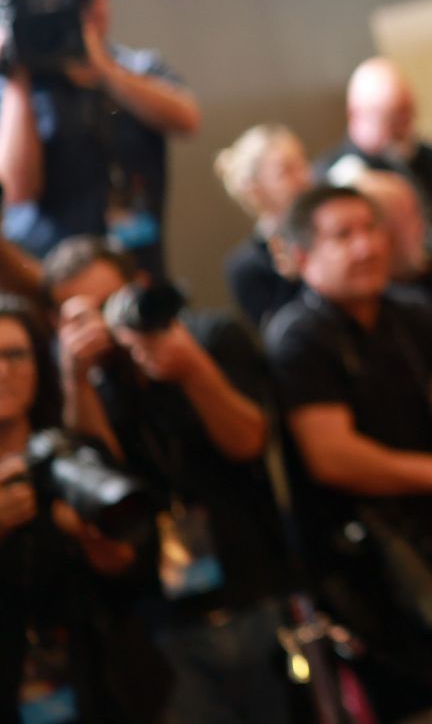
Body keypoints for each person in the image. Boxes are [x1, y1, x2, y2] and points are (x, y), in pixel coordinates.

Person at [263, 183, 432, 719]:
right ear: (303, 256)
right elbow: (333, 457)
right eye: (343, 235)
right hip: (368, 571)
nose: (367, 246)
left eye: (371, 229)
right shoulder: (298, 338)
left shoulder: (409, 311)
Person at [46, 236, 290, 724]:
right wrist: (77, 379)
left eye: (109, 304)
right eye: (83, 313)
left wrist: (193, 369)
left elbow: (248, 442)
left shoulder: (211, 336)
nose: (104, 324)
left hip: (260, 587)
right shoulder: (79, 387)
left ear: (138, 287)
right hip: (163, 621)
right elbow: (101, 480)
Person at [0, 292, 167, 722]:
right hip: (3, 690)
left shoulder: (73, 453)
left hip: (109, 683)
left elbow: (143, 569)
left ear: (39, 363)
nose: (2, 371)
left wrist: (112, 557)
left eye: (16, 355)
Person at [0, 0, 200, 277]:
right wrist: (17, 80)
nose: (84, 7)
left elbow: (187, 119)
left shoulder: (136, 66)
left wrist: (105, 70)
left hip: (140, 265)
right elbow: (16, 189)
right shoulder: (10, 89)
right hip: (52, 274)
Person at [319, 58, 432, 230]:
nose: (403, 128)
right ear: (355, 113)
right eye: (390, 118)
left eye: (408, 113)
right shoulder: (330, 178)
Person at [215, 124, 313, 330]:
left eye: (302, 163)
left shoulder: (330, 237)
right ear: (254, 189)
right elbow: (274, 337)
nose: (305, 178)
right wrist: (293, 280)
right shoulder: (245, 267)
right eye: (287, 171)